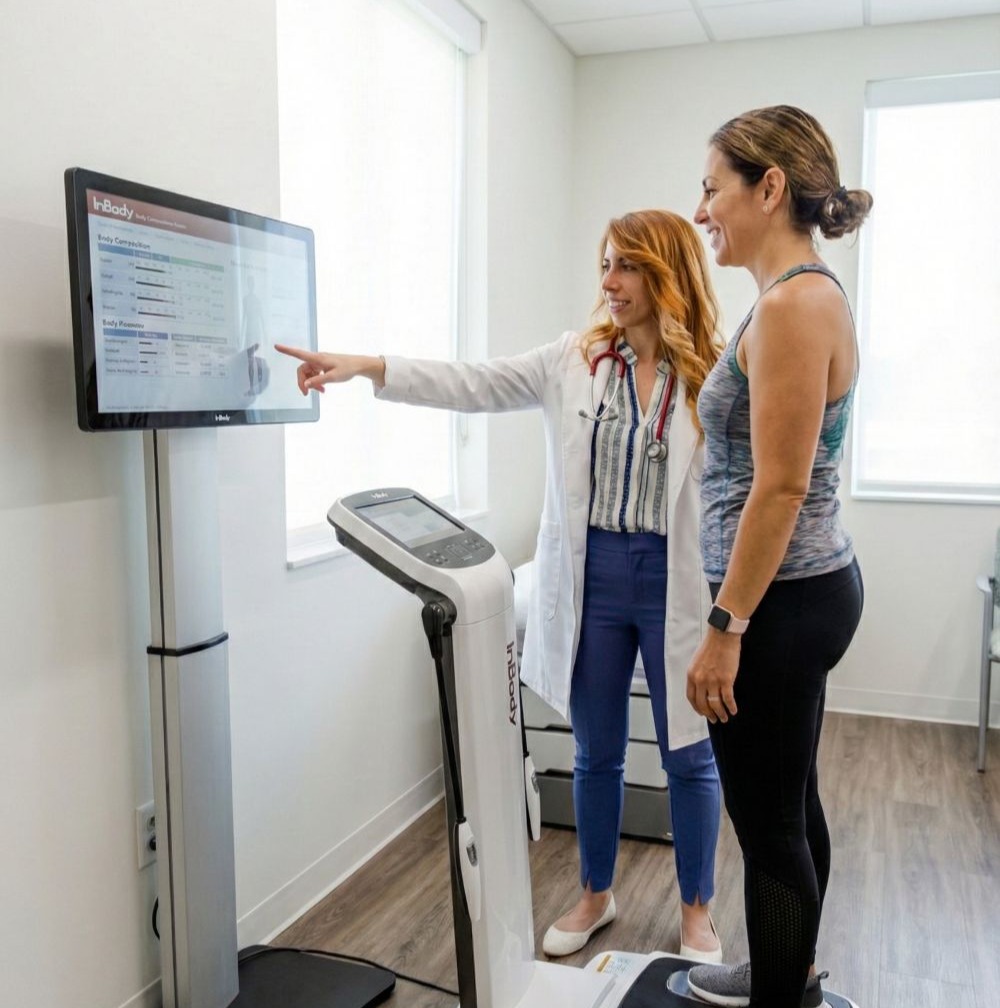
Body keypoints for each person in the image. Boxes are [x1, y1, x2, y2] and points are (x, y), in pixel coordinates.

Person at [276, 210, 727, 962]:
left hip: (673, 579)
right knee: (596, 751)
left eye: (626, 266)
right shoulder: (573, 360)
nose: (609, 282)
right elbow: (474, 383)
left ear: (665, 272)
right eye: (605, 265)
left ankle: (696, 911)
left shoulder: (711, 374)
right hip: (593, 578)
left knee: (689, 752)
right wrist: (369, 366)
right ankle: (596, 894)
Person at [648, 107, 872, 1008]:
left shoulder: (793, 305)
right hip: (797, 595)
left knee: (768, 823)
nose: (701, 210)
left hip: (777, 605)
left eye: (712, 188)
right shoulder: (787, 298)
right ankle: (794, 981)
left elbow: (779, 489)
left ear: (769, 187)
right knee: (791, 807)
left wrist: (724, 629)